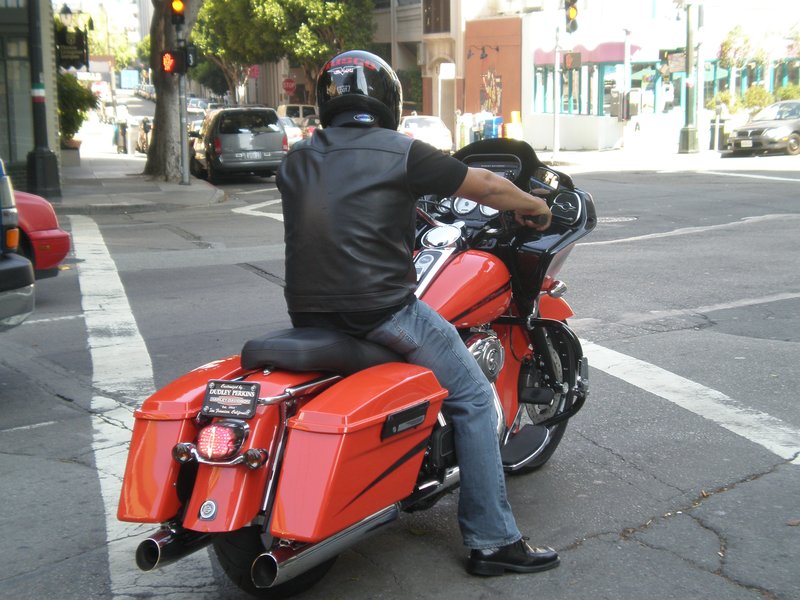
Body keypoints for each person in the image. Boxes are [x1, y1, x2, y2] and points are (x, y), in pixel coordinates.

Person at [276, 50, 559, 577]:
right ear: (388, 101)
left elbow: (340, 210)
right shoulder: (402, 152)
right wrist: (535, 206)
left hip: (308, 312)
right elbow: (491, 187)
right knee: (474, 396)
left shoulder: (297, 158)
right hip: (381, 311)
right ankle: (493, 541)